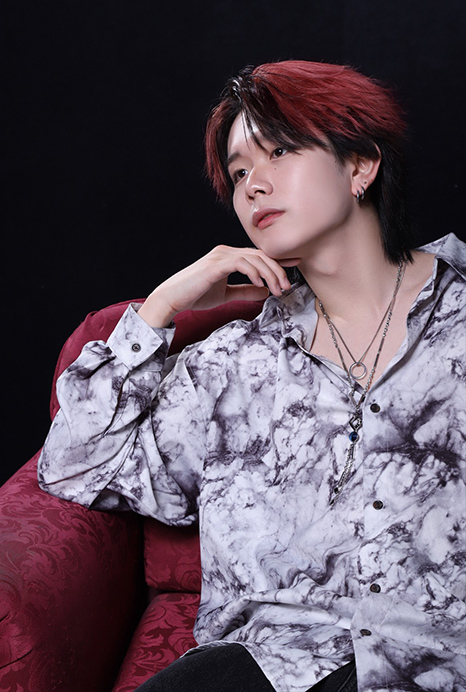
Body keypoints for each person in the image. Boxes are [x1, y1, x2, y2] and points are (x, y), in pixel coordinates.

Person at [38, 61, 465, 692]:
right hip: (268, 667)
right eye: (239, 173)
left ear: (360, 166)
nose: (254, 186)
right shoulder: (230, 366)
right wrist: (162, 306)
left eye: (280, 151)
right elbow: (73, 466)